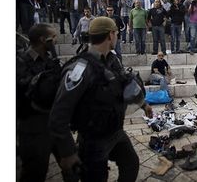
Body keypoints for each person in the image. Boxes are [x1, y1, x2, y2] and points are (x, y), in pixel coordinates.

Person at [49, 17, 153, 182]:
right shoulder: (80, 69)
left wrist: (144, 104)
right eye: (117, 34)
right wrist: (67, 153)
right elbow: (58, 115)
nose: (117, 37)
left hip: (115, 132)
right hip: (93, 140)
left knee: (131, 163)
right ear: (110, 35)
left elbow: (125, 85)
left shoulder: (112, 60)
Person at [17, 23, 62, 182]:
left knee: (73, 167)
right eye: (53, 37)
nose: (56, 40)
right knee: (35, 172)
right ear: (44, 40)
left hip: (55, 123)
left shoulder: (51, 60)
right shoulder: (20, 61)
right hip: (33, 127)